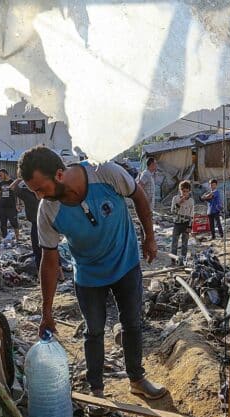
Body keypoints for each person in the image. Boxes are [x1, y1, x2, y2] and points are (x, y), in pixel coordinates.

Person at [18, 145, 167, 401]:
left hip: (125, 262)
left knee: (132, 323)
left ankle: (137, 379)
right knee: (94, 331)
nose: (39, 196)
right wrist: (46, 311)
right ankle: (97, 390)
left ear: (59, 174)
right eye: (35, 192)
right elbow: (50, 260)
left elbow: (139, 196)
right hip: (88, 274)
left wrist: (149, 237)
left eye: (41, 188)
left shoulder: (105, 172)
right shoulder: (48, 211)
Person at [13, 177, 42, 268]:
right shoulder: (42, 191)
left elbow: (13, 187)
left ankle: (41, 273)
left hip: (39, 223)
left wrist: (18, 180)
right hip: (43, 223)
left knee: (38, 250)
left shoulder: (26, 193)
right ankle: (58, 273)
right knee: (48, 249)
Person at [170, 180, 194, 263]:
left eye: (187, 191)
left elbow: (191, 215)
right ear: (180, 190)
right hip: (177, 223)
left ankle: (182, 261)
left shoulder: (191, 201)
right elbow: (172, 211)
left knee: (184, 244)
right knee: (174, 243)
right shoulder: (175, 199)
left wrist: (190, 226)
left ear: (189, 191)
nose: (185, 193)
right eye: (183, 191)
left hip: (186, 224)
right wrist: (179, 203)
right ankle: (173, 260)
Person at [0, 168, 21, 239]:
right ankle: (4, 239)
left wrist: (18, 204)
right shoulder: (0, 183)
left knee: (14, 223)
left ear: (5, 174)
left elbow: (17, 194)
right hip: (2, 207)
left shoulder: (12, 182)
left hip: (11, 207)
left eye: (1, 175)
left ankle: (17, 238)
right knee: (3, 224)